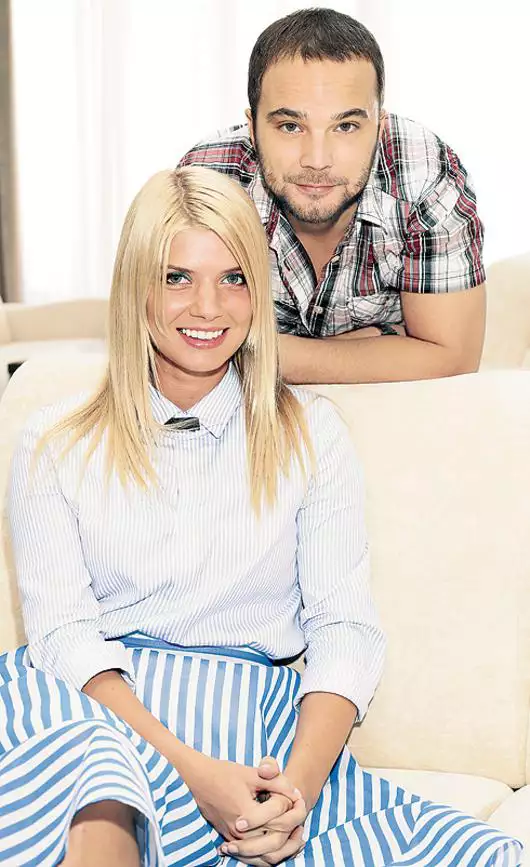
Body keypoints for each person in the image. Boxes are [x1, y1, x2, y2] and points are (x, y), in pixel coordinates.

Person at [0, 166, 520, 867]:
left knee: (484, 854)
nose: (207, 307)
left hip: (261, 731)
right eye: (177, 277)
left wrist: (295, 793)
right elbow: (64, 637)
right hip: (100, 714)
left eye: (234, 278)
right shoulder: (54, 439)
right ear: (135, 288)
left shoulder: (311, 433)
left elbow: (345, 630)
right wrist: (193, 771)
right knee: (94, 776)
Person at [179, 8, 486, 385]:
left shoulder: (422, 173)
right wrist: (384, 341)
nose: (317, 160)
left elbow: (454, 358)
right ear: (253, 130)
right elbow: (172, 343)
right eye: (290, 126)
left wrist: (261, 354)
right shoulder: (209, 179)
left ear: (380, 128)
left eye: (346, 126)